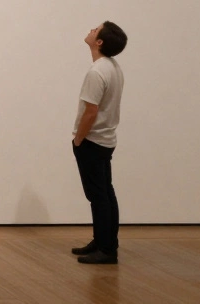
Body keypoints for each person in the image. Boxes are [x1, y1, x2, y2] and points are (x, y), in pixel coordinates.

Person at [71, 21, 127, 264]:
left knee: (98, 196)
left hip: (93, 141)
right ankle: (105, 242)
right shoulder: (113, 67)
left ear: (100, 42)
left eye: (96, 29)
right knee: (106, 193)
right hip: (106, 140)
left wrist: (79, 139)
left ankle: (106, 250)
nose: (91, 29)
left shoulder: (97, 72)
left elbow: (91, 112)